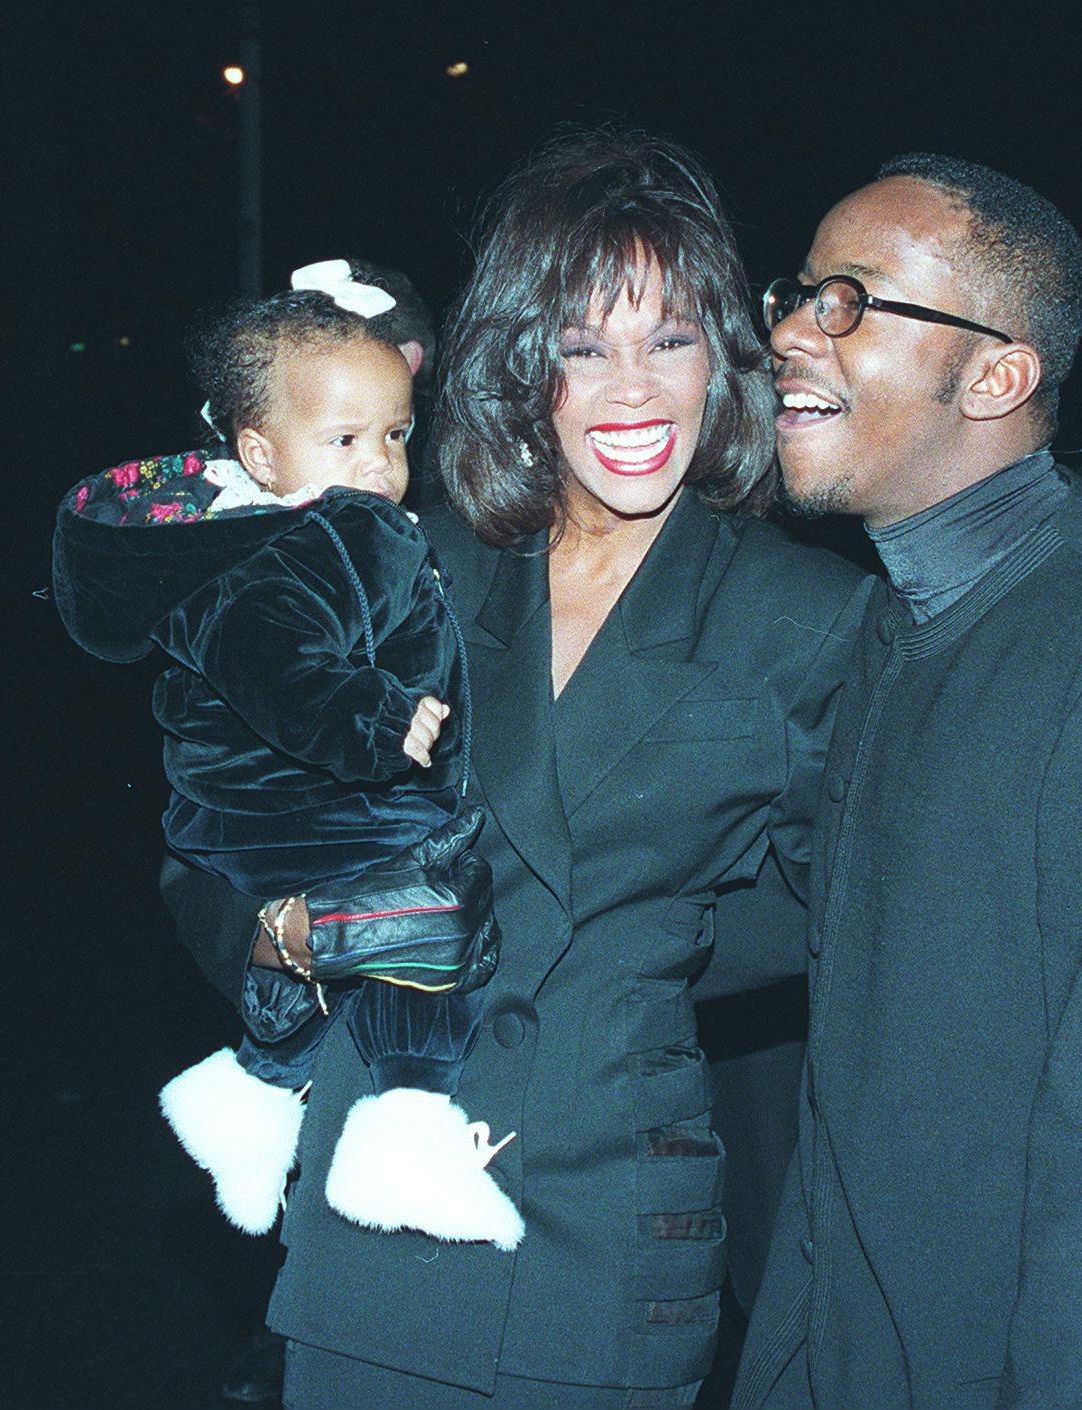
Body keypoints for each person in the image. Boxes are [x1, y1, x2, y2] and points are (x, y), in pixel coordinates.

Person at [156, 130, 874, 1408]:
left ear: (725, 357)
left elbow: (842, 915)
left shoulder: (810, 619)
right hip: (374, 1192)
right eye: (583, 346)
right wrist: (292, 937)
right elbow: (217, 825)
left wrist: (635, 957)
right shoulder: (401, 561)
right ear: (521, 368)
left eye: (670, 339)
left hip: (603, 1225)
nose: (632, 391)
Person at [734, 156, 1082, 1408]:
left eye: (850, 302)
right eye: (801, 293)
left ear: (997, 375)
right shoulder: (908, 612)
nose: (787, 334)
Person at [53, 271, 521, 1251]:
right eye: (345, 439)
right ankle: (385, 1127)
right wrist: (371, 721)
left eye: (394, 436)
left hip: (292, 825)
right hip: (316, 818)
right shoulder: (318, 545)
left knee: (417, 937)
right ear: (260, 453)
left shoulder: (280, 534)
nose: (380, 465)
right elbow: (281, 666)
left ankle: (267, 1091)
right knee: (441, 925)